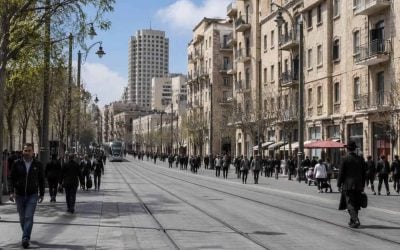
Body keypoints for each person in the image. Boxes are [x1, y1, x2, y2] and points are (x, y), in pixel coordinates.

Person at [8, 143, 45, 248]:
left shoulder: (38, 164)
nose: (27, 153)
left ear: (33, 152)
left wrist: (42, 194)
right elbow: (11, 178)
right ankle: (26, 233)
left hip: (32, 194)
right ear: (22, 151)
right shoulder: (16, 163)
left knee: (29, 216)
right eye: (25, 150)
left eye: (29, 151)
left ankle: (25, 238)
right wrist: (11, 192)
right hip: (19, 194)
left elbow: (42, 180)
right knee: (22, 217)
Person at [337, 140, 366, 228]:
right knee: (356, 203)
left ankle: (356, 220)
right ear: (354, 149)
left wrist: (339, 184)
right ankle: (352, 220)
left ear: (347, 149)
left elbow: (341, 173)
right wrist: (363, 184)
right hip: (358, 184)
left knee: (350, 203)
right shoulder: (360, 159)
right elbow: (363, 173)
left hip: (348, 185)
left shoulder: (344, 159)